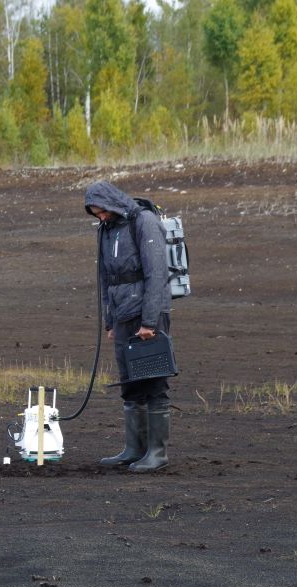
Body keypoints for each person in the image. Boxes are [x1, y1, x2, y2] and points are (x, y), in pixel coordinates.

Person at [84, 181, 172, 473]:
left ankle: (156, 453)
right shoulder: (106, 230)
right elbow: (106, 278)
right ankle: (134, 449)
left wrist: (149, 321)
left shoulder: (144, 222)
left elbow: (157, 272)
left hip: (147, 315)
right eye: (95, 214)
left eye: (102, 212)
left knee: (153, 382)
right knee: (129, 384)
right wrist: (110, 321)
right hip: (122, 316)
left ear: (111, 203)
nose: (101, 218)